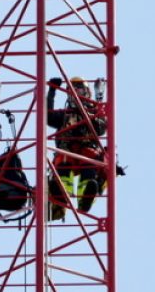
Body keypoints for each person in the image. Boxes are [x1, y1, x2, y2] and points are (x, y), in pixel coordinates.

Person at [47, 76, 106, 219]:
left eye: (79, 88)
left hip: (87, 155)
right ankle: (62, 193)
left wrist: (89, 114)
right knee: (62, 158)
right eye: (73, 89)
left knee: (91, 157)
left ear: (86, 92)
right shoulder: (65, 114)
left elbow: (101, 128)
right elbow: (48, 117)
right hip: (67, 153)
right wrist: (52, 92)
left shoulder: (94, 112)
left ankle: (85, 197)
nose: (76, 92)